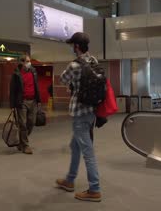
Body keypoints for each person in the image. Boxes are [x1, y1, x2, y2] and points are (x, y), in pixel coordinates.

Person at [56, 32, 102, 202]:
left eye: (72, 45)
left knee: (87, 152)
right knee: (74, 146)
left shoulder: (74, 65)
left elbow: (62, 79)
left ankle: (94, 189)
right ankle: (69, 180)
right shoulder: (94, 61)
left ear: (76, 46)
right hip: (91, 111)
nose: (71, 48)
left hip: (79, 114)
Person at [9, 54, 41, 155]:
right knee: (22, 124)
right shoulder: (16, 74)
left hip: (33, 101)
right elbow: (12, 90)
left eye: (29, 61)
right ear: (22, 62)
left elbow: (36, 86)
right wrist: (12, 105)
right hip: (22, 102)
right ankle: (26, 145)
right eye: (27, 61)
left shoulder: (33, 71)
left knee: (31, 123)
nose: (29, 63)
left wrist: (39, 100)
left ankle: (21, 141)